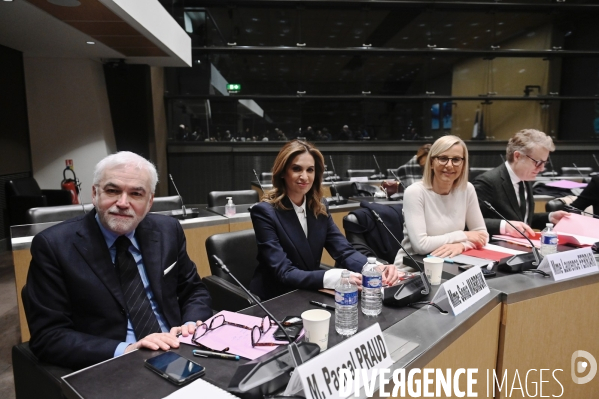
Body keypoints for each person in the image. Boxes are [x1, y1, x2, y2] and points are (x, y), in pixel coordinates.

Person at [24, 152, 212, 370]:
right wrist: (127, 350)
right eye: (112, 191)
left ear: (149, 201)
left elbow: (194, 290)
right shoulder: (53, 246)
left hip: (178, 347)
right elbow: (48, 336)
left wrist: (190, 325)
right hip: (112, 362)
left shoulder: (168, 231)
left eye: (136, 194)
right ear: (95, 194)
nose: (123, 203)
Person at [250, 140, 399, 300]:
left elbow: (344, 251)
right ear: (282, 172)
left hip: (309, 291)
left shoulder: (319, 207)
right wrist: (334, 277)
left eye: (310, 170)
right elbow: (284, 272)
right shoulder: (264, 212)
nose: (304, 176)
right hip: (275, 298)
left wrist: (375, 267)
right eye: (296, 169)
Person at [394, 135, 488, 267]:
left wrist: (462, 246)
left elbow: (482, 235)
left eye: (456, 159)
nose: (449, 165)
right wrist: (463, 235)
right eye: (443, 158)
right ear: (431, 162)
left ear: (463, 164)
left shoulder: (467, 189)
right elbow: (421, 246)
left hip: (450, 265)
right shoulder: (415, 192)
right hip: (412, 269)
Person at [473, 129, 569, 237]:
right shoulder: (487, 182)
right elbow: (470, 223)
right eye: (538, 162)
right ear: (517, 156)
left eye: (544, 163)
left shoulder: (525, 178)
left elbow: (521, 220)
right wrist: (504, 226)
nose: (542, 169)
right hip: (495, 247)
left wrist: (549, 217)